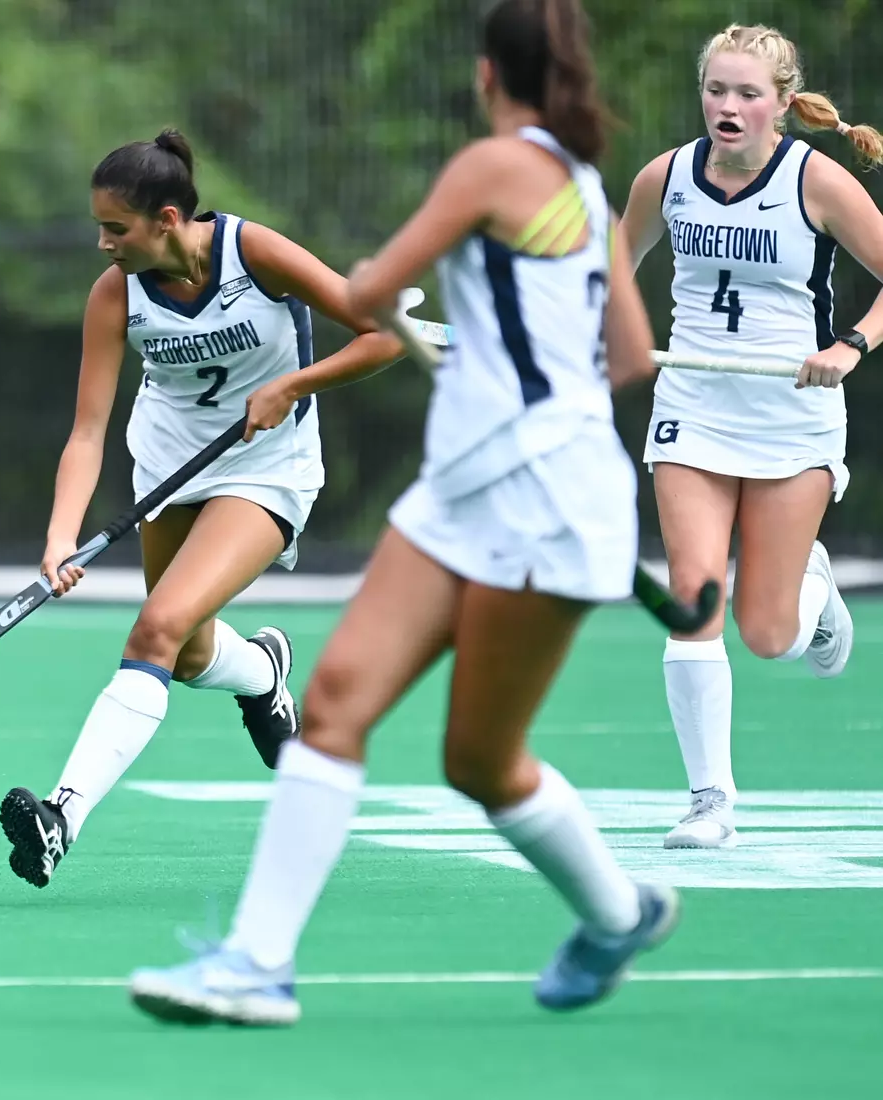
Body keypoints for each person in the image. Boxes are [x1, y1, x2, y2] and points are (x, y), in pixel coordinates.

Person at [127, 0, 675, 1026]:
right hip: (467, 487)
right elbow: (630, 356)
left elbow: (374, 289)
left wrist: (493, 364)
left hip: (545, 498)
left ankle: (618, 914)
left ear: (485, 75)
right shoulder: (584, 188)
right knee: (337, 699)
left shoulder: (491, 167)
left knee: (480, 760)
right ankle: (255, 964)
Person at [0, 129, 406, 889]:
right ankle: (262, 674)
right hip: (169, 466)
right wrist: (60, 537)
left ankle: (62, 816)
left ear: (168, 219)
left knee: (156, 628)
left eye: (115, 228)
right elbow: (86, 430)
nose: (102, 243)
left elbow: (384, 337)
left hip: (267, 467)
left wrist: (293, 385)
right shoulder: (115, 294)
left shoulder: (257, 255)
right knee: (185, 654)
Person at [621, 24, 881, 850]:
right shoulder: (666, 177)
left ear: (781, 103)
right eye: (715, 90)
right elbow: (610, 274)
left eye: (746, 93)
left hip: (792, 419)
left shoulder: (816, 181)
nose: (727, 106)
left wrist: (851, 346)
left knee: (769, 636)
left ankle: (814, 588)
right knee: (693, 598)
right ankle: (711, 803)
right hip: (693, 408)